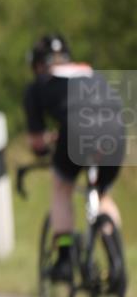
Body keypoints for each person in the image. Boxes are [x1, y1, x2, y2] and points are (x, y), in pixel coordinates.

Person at [23, 33, 125, 282]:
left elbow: (37, 142)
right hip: (116, 129)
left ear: (38, 65)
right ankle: (116, 263)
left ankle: (65, 259)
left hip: (76, 129)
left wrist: (45, 147)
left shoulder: (38, 85)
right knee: (102, 195)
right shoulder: (91, 73)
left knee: (61, 186)